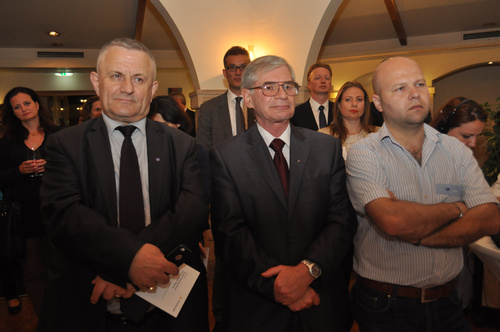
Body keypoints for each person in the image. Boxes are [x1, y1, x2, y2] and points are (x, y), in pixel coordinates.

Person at [39, 38, 209, 332]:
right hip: (88, 305)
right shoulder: (64, 144)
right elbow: (65, 215)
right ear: (96, 81)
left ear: (152, 89)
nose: (127, 87)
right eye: (116, 75)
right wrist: (129, 260)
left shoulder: (184, 145)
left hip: (170, 310)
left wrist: (127, 264)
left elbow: (191, 213)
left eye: (138, 78)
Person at [346, 57, 500, 332]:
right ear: (379, 103)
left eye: (419, 84)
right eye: (400, 88)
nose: (415, 93)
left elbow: (490, 217)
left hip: (449, 303)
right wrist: (458, 208)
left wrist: (417, 233)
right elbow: (393, 222)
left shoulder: (457, 152)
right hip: (387, 304)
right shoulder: (364, 153)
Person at [210, 55, 358, 332]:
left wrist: (306, 272)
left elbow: (342, 220)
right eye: (269, 87)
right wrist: (280, 286)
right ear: (248, 98)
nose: (282, 95)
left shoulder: (326, 148)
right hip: (258, 306)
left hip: (321, 302)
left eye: (288, 86)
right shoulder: (226, 156)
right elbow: (230, 233)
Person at [0, 87, 60, 317]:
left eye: (26, 103)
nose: (23, 109)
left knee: (64, 269)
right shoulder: (6, 143)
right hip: (24, 218)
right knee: (34, 273)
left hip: (57, 213)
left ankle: (66, 316)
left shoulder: (58, 135)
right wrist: (19, 170)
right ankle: (47, 320)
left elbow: (76, 171)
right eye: (17, 106)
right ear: (12, 112)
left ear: (36, 104)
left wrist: (52, 167)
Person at [196, 46, 256, 152]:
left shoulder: (260, 104)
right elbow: (203, 150)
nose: (238, 72)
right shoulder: (208, 109)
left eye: (242, 67)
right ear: (225, 73)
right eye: (232, 67)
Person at [319, 81, 378, 159]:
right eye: (348, 100)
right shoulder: (324, 135)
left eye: (359, 99)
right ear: (339, 105)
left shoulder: (378, 134)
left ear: (365, 105)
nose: (354, 104)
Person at [290, 62, 333, 131]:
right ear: (309, 84)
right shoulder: (296, 113)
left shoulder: (339, 110)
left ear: (330, 83)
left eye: (327, 78)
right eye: (318, 78)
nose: (323, 81)